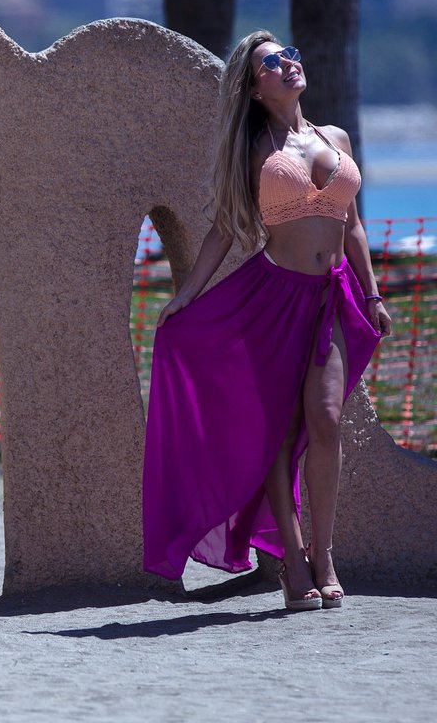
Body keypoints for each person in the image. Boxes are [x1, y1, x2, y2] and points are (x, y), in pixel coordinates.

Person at [142, 31, 392, 611]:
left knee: (325, 420)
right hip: (270, 299)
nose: (289, 64)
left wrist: (373, 295)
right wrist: (187, 296)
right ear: (255, 87)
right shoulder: (254, 148)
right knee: (278, 434)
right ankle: (294, 562)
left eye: (291, 55)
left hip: (332, 298)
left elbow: (352, 225)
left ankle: (325, 555)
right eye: (272, 62)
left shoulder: (336, 137)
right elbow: (226, 229)